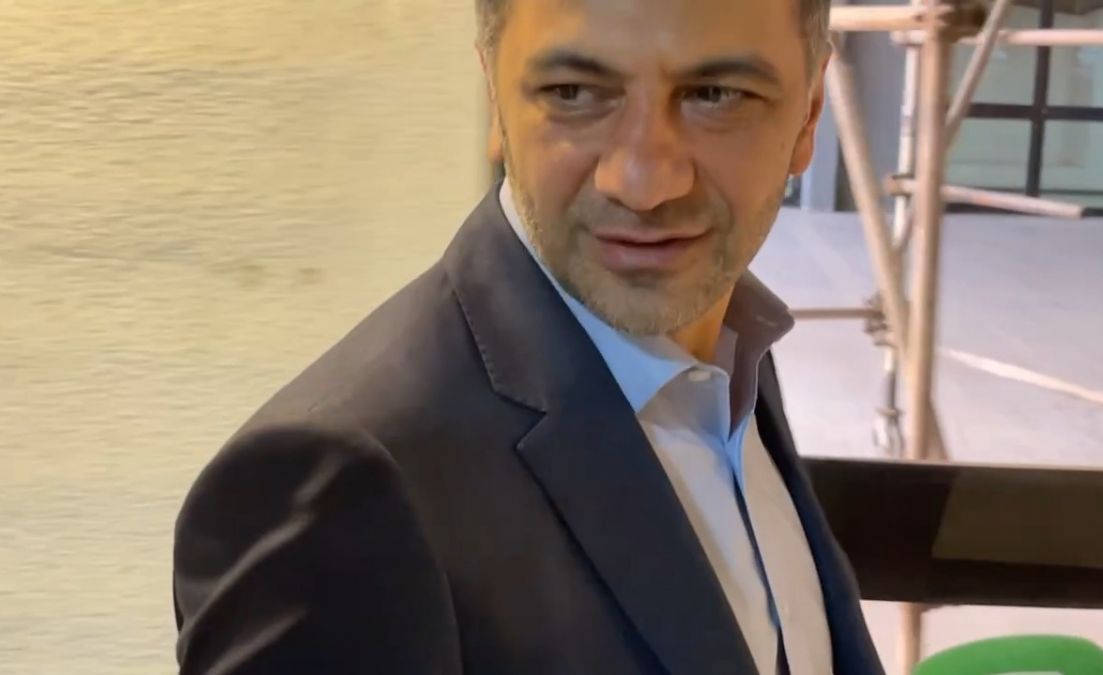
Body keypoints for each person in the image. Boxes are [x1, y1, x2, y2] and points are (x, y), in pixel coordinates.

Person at [172, 0, 883, 673]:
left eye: (716, 95)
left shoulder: (726, 339)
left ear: (809, 112)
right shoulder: (338, 489)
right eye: (574, 92)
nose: (643, 181)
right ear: (495, 100)